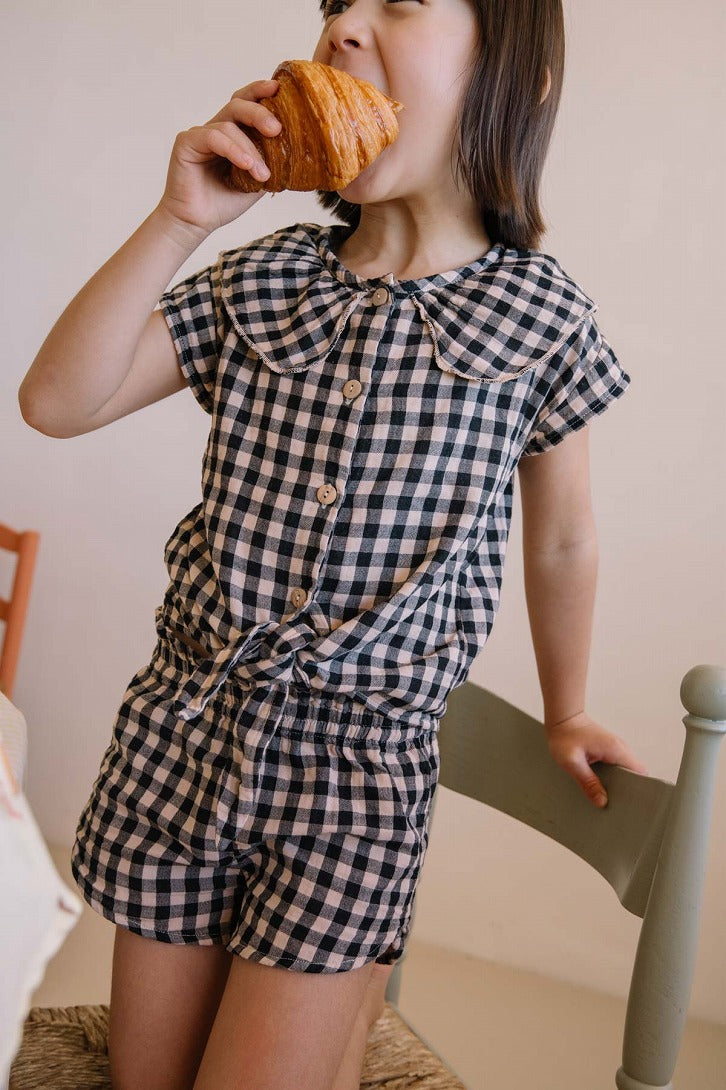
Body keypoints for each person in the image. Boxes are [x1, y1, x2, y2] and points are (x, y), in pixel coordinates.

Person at [17, 1, 649, 1088]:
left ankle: (344, 1016)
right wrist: (179, 220)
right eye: (334, 3)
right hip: (182, 736)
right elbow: (54, 403)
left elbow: (562, 541)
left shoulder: (542, 315)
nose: (344, 26)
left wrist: (567, 707)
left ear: (519, 73)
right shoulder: (263, 279)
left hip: (355, 780)